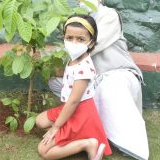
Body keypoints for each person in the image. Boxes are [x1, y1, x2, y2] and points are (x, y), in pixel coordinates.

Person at [48, 0, 149, 160]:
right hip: (90, 78)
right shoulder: (80, 19)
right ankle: (81, 124)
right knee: (55, 83)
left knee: (110, 87)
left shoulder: (109, 15)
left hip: (117, 73)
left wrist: (61, 61)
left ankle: (115, 139)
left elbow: (89, 47)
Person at [36, 14, 112, 160]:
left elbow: (74, 101)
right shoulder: (75, 59)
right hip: (70, 108)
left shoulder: (84, 68)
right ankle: (73, 137)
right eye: (69, 38)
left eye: (80, 39)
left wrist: (56, 127)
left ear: (91, 43)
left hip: (80, 113)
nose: (74, 43)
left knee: (44, 151)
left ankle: (87, 144)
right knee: (40, 121)